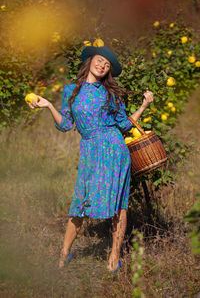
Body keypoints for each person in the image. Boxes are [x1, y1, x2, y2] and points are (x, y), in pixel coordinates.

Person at [28, 45, 154, 272]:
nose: (102, 66)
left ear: (108, 71)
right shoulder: (71, 91)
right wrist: (47, 105)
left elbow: (126, 124)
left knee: (118, 205)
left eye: (107, 65)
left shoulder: (110, 94)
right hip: (90, 151)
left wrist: (144, 105)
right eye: (100, 61)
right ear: (90, 61)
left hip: (114, 150)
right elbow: (65, 125)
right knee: (80, 203)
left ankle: (114, 258)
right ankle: (64, 254)